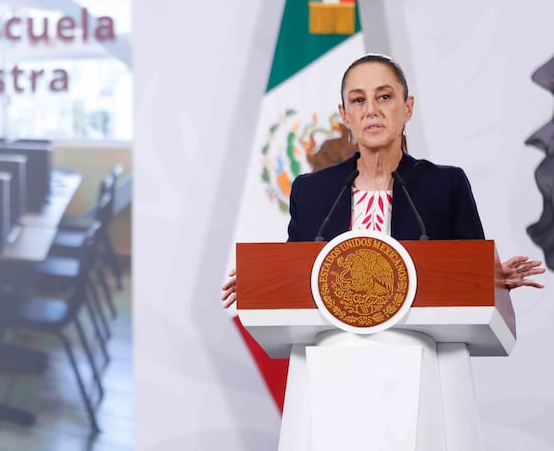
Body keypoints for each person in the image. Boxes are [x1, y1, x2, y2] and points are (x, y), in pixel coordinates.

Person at [221, 53, 544, 308]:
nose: (371, 110)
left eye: (385, 97)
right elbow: (297, 276)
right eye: (358, 100)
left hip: (422, 360)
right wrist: (262, 281)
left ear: (407, 108)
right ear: (345, 115)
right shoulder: (312, 192)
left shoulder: (444, 186)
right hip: (332, 361)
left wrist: (492, 279)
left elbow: (470, 276)